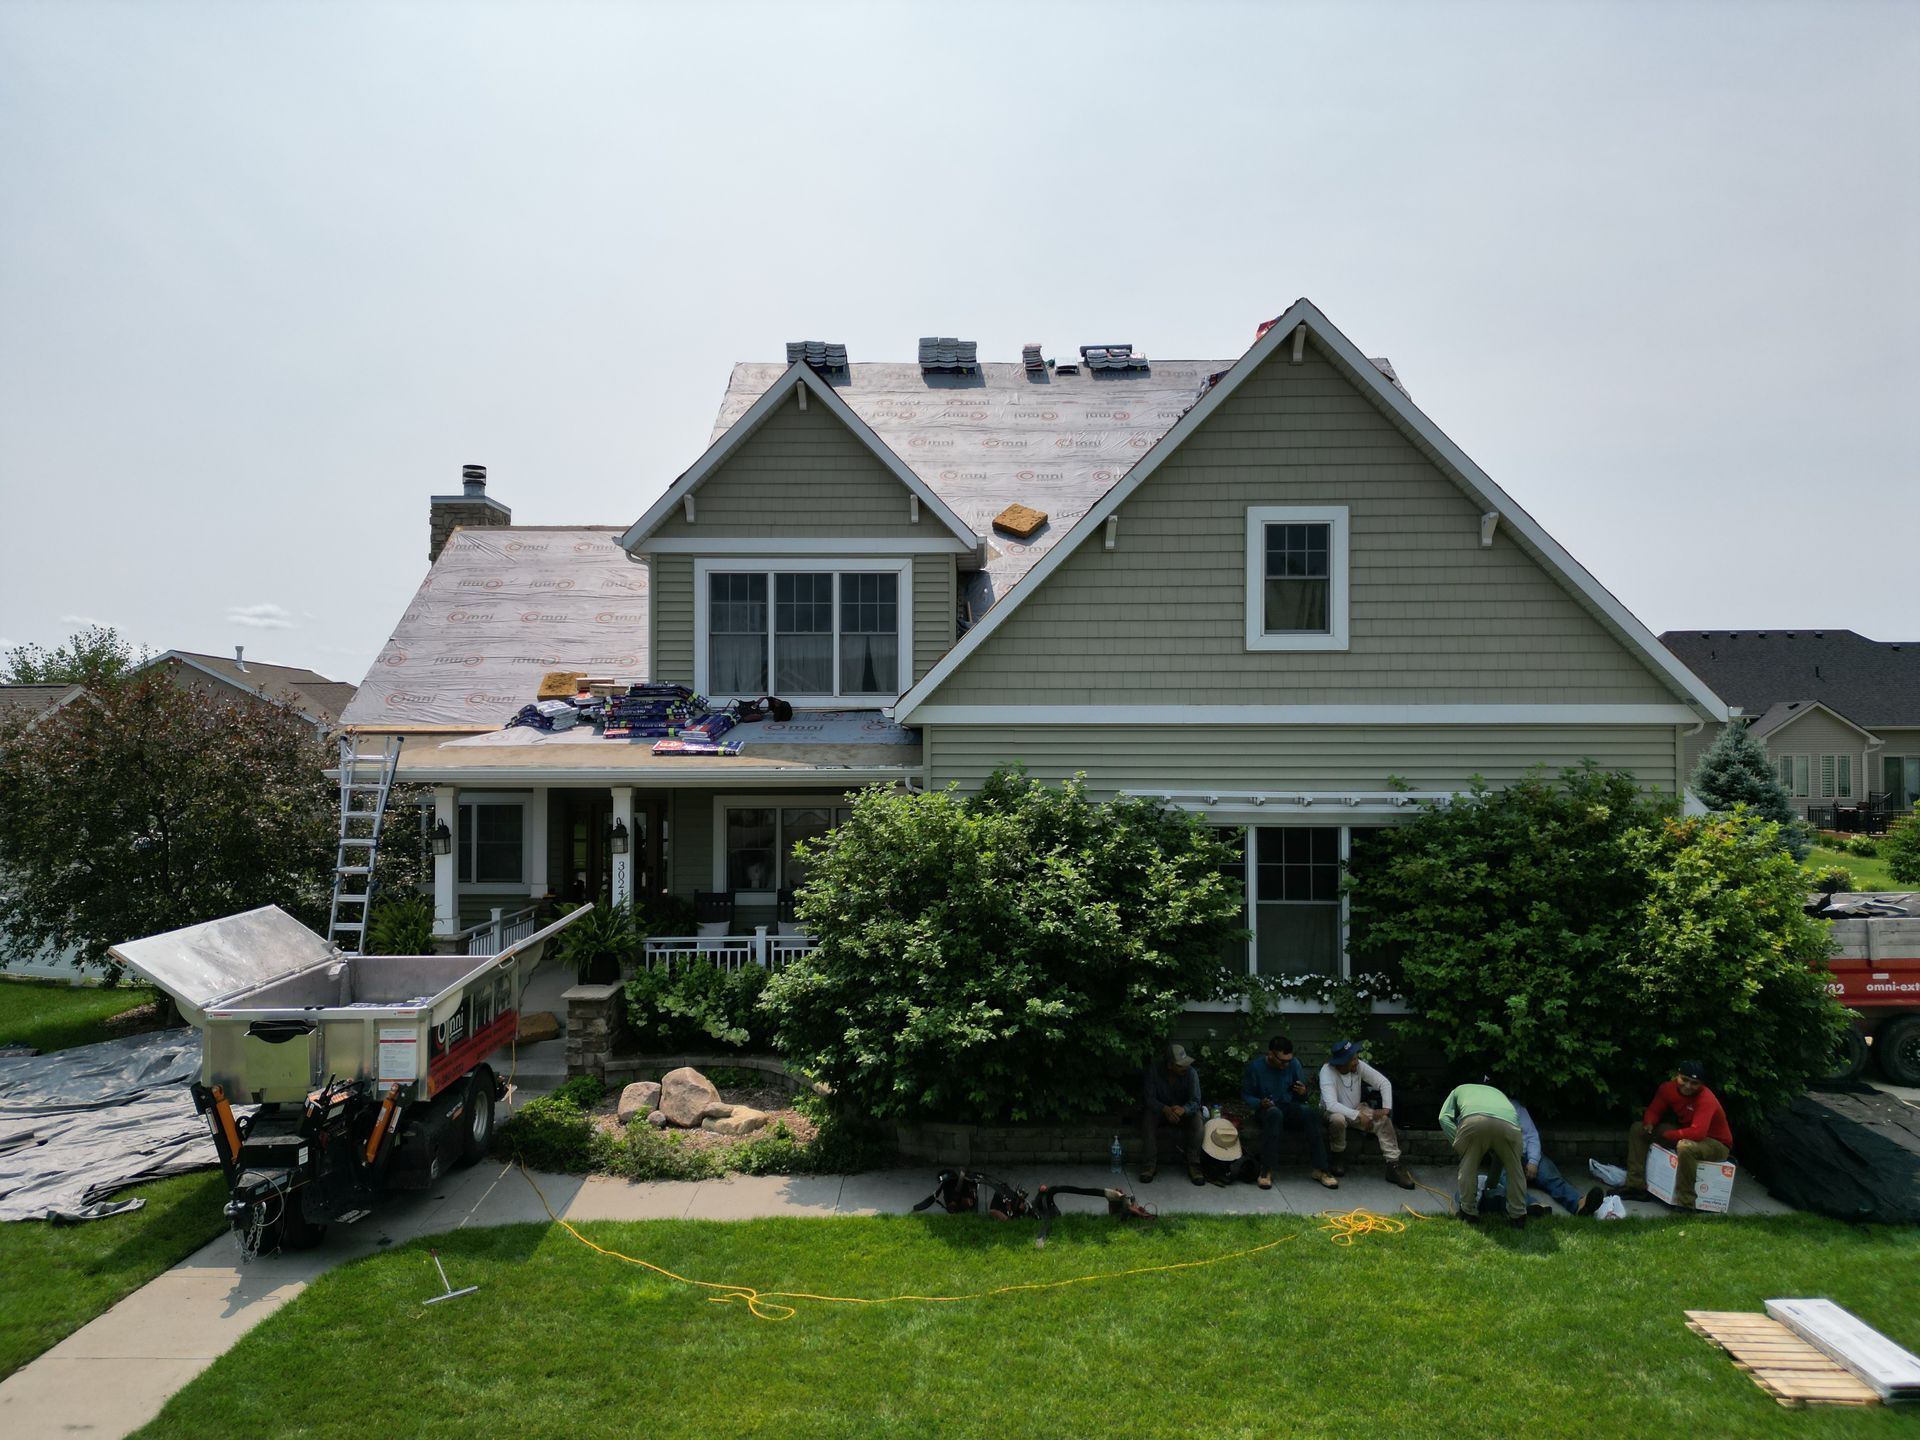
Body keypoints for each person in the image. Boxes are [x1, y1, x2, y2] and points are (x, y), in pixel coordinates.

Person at [1617, 1060, 1733, 1210]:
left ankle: (1686, 1203)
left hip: (1716, 1143)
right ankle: (1635, 1186)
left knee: (1685, 1147)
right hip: (1687, 1132)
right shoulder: (1667, 1089)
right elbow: (1654, 1110)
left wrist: (1669, 1135)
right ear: (1677, 1076)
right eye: (1684, 1080)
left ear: (1702, 1084)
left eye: (1694, 1083)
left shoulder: (1706, 1099)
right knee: (1638, 1128)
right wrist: (1650, 1123)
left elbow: (1698, 1132)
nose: (1688, 1086)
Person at [1240, 1035, 1338, 1191]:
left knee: (1309, 1112)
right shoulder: (1255, 1067)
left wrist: (1302, 1092)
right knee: (1274, 1114)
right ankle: (1266, 1170)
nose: (1286, 1064)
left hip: (1288, 1107)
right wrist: (1260, 1102)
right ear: (1271, 1054)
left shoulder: (1294, 1065)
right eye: (1282, 1061)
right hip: (1266, 1110)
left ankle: (1321, 1169)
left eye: (1289, 1060)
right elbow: (1246, 1095)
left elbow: (1302, 1096)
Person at [1480, 1098, 1604, 1217]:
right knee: (1506, 1180)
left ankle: (1579, 1204)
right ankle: (1533, 1206)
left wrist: (1533, 1161)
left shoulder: (1515, 1106)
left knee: (1551, 1177)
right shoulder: (1481, 1113)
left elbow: (1532, 1135)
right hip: (1505, 1159)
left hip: (1527, 1154)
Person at [1318, 1040, 1415, 1189]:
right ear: (1342, 1062)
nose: (1357, 1061)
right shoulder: (1327, 1071)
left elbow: (1384, 1083)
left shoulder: (1358, 1066)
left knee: (1383, 1121)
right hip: (1332, 1113)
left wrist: (1386, 1108)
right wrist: (1357, 1115)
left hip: (1357, 1108)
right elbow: (1331, 1104)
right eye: (1353, 1059)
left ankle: (1393, 1166)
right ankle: (1338, 1158)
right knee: (1338, 1119)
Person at [1438, 1080, 1530, 1227]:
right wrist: (1491, 1184)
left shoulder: (1459, 1089)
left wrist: (1459, 1142)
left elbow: (1443, 1117)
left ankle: (1468, 1213)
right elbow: (1500, 1158)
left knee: (1468, 1165)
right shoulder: (1498, 1093)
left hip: (1474, 1121)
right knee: (1515, 1170)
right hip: (1509, 1124)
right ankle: (1518, 1216)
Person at [1140, 1042, 1207, 1186]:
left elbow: (1196, 1101)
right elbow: (1149, 1099)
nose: (1185, 1067)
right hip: (1160, 1111)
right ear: (1169, 1065)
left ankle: (1194, 1165)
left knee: (1198, 1121)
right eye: (1180, 1065)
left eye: (1186, 1063)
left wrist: (1184, 1109)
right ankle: (1149, 1165)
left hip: (1183, 1112)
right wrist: (1165, 1109)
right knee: (1147, 1118)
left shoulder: (1191, 1073)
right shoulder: (1154, 1071)